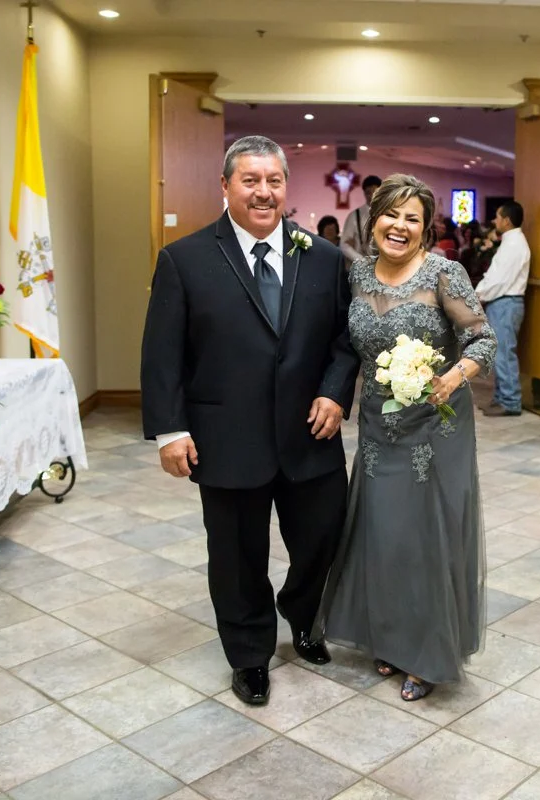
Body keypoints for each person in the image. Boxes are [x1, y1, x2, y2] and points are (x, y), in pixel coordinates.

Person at [141, 135, 360, 706]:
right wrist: (171, 430)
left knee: (323, 537)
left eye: (274, 181)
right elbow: (163, 353)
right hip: (226, 438)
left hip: (310, 434)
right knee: (237, 556)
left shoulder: (325, 258)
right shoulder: (184, 259)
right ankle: (249, 654)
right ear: (225, 186)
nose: (264, 192)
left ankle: (303, 616)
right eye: (251, 180)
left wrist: (335, 394)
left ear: (286, 187)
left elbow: (344, 339)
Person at [315, 173, 497, 701]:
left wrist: (451, 379)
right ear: (373, 221)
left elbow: (482, 340)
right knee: (384, 533)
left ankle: (427, 654)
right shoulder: (357, 274)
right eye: (390, 215)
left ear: (426, 227)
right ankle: (390, 638)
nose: (399, 226)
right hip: (379, 425)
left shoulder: (444, 273)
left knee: (425, 537)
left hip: (435, 424)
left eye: (411, 218)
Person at [476, 201, 530, 417]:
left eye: (497, 217)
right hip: (502, 302)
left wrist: (478, 295)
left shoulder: (515, 244)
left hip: (506, 302)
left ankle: (510, 401)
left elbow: (499, 280)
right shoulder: (510, 242)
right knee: (499, 353)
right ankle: (501, 398)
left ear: (506, 221)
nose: (494, 221)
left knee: (504, 353)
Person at [340, 175, 383, 266]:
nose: (372, 196)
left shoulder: (389, 213)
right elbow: (344, 245)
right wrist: (362, 260)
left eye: (375, 192)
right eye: (368, 193)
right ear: (364, 193)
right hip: (362, 264)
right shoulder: (354, 216)